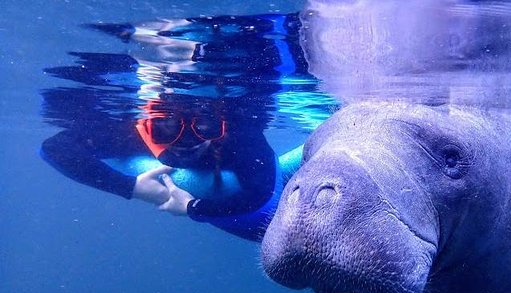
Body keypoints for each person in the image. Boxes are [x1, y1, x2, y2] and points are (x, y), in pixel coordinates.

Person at [40, 13, 326, 241]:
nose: (187, 140)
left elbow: (260, 194)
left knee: (291, 178)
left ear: (220, 123)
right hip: (261, 180)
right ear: (145, 124)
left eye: (205, 126)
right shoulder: (129, 131)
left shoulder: (236, 134)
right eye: (166, 127)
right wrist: (131, 187)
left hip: (264, 183)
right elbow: (55, 148)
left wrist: (192, 208)